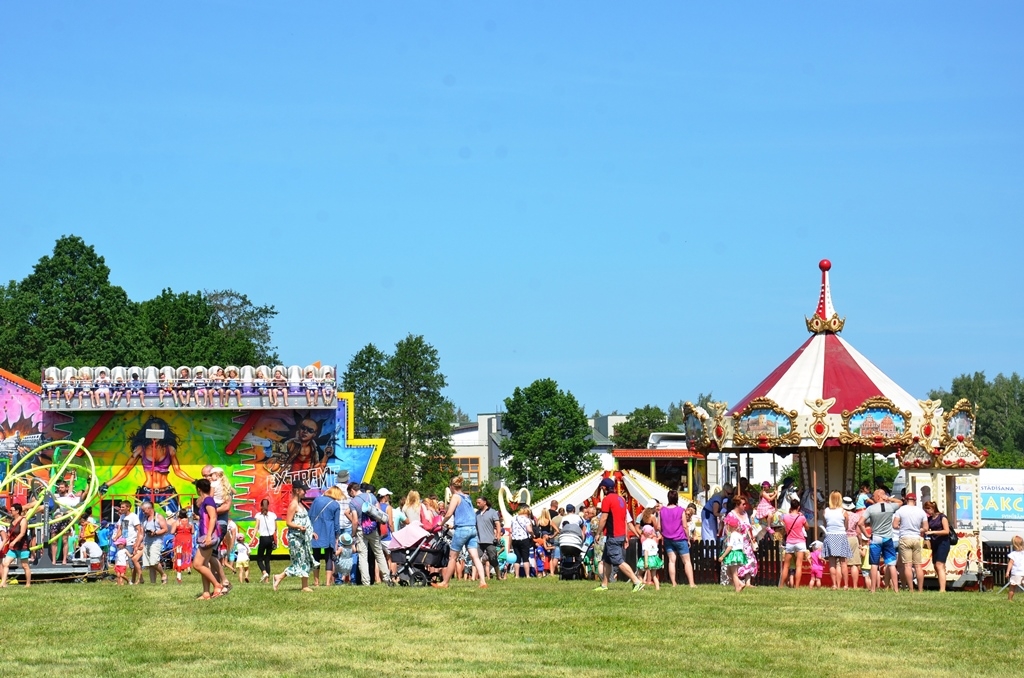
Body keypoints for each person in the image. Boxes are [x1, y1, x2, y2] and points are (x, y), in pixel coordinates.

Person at [101, 417, 194, 516]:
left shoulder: (169, 449)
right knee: (140, 521)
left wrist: (196, 481)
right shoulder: (141, 449)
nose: (155, 434)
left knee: (177, 517)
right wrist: (107, 484)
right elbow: (126, 469)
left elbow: (178, 470)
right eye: (152, 430)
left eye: (157, 430)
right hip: (147, 492)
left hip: (166, 492)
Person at [432, 476, 488, 589]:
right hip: (472, 529)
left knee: (452, 557)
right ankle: (483, 582)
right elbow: (468, 513)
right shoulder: (467, 497)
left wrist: (441, 523)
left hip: (462, 530)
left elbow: (448, 513)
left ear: (452, 487)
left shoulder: (456, 497)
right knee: (475, 557)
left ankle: (445, 583)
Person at [594, 477, 645, 592]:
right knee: (606, 560)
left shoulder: (607, 500)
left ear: (604, 488)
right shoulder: (621, 499)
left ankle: (636, 581)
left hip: (612, 535)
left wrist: (598, 533)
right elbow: (624, 519)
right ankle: (604, 584)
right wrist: (625, 535)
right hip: (620, 534)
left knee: (618, 560)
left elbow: (604, 518)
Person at [274, 480, 317, 592]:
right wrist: (299, 527)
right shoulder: (293, 505)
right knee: (299, 561)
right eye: (303, 490)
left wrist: (311, 532)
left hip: (303, 538)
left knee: (305, 560)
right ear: (297, 491)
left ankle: (304, 586)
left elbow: (305, 520)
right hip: (296, 538)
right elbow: (288, 522)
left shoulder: (300, 504)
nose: (305, 492)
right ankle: (279, 577)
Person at [348, 482, 393, 586]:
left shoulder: (353, 503)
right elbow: (379, 512)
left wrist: (353, 534)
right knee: (379, 553)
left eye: (350, 494)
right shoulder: (371, 496)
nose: (351, 496)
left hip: (360, 530)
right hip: (373, 529)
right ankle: (387, 578)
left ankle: (366, 582)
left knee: (363, 556)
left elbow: (354, 521)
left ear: (352, 491)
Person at [859, 489, 900, 593]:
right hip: (887, 538)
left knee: (874, 564)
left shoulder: (871, 509)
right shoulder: (890, 507)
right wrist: (889, 498)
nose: (872, 497)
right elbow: (900, 502)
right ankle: (896, 589)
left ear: (878, 496)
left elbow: (860, 523)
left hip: (875, 538)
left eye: (873, 495)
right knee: (891, 564)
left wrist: (866, 534)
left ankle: (873, 589)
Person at [192, 478, 225, 600]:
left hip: (208, 536)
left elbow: (213, 518)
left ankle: (217, 585)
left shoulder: (209, 500)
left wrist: (208, 536)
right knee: (204, 564)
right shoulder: (206, 500)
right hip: (205, 535)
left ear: (199, 489)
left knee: (197, 565)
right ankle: (206, 593)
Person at [659, 490, 696, 588]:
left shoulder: (662, 510)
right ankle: (691, 584)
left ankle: (674, 583)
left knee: (671, 561)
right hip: (680, 538)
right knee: (687, 561)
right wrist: (688, 539)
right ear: (677, 498)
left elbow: (659, 526)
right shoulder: (681, 510)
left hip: (668, 539)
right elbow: (685, 526)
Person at [309, 485, 342, 587]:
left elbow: (310, 515)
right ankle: (328, 582)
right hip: (329, 531)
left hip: (316, 530)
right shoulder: (335, 505)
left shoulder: (317, 500)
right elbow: (336, 523)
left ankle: (316, 581)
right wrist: (337, 535)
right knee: (329, 557)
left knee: (316, 556)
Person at [821, 491, 853, 590]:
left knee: (832, 562)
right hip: (841, 535)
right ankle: (846, 585)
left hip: (830, 535)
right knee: (843, 562)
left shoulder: (826, 511)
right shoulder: (843, 512)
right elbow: (846, 526)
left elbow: (825, 524)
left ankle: (834, 584)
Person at [778, 495, 808, 588]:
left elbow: (780, 519)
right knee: (799, 565)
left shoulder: (786, 517)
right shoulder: (801, 517)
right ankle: (797, 586)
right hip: (800, 541)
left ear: (791, 507)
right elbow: (807, 527)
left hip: (790, 542)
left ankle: (781, 585)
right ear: (798, 507)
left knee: (786, 565)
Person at [923, 500, 952, 592]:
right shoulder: (930, 519)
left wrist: (933, 532)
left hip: (943, 542)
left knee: (939, 564)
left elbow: (946, 531)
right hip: (934, 543)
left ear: (933, 508)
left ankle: (942, 589)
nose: (927, 510)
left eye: (928, 508)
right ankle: (942, 585)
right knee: (936, 565)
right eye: (925, 509)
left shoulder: (942, 517)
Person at [0, 503, 32, 588]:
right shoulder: (12, 521)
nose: (10, 511)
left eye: (12, 510)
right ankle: (3, 583)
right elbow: (9, 533)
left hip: (23, 547)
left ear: (17, 511)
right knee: (5, 564)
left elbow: (22, 533)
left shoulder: (23, 520)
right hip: (13, 548)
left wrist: (14, 541)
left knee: (25, 565)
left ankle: (28, 584)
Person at [112, 500, 143, 584]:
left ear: (128, 507)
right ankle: (134, 579)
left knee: (132, 562)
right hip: (124, 542)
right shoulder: (123, 517)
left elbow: (139, 530)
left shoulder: (133, 516)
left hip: (132, 542)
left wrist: (137, 543)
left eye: (123, 507)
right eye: (121, 507)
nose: (121, 509)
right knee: (127, 562)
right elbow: (123, 530)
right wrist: (116, 537)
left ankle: (135, 580)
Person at [140, 501, 169, 584]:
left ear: (149, 509)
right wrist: (138, 543)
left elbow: (165, 529)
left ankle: (163, 574)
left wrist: (155, 533)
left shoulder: (158, 517)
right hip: (147, 542)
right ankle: (153, 583)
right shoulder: (145, 519)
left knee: (154, 561)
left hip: (156, 542)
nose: (143, 512)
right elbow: (142, 533)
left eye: (143, 510)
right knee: (150, 564)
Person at [475, 497, 502, 579]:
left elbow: (497, 524)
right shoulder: (477, 513)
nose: (477, 504)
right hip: (479, 541)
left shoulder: (492, 512)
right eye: (476, 503)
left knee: (493, 559)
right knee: (475, 558)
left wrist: (498, 535)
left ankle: (498, 575)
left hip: (490, 540)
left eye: (479, 502)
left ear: (485, 502)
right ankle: (473, 577)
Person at [719, 514, 746, 593]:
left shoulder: (732, 535)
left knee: (734, 573)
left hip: (733, 554)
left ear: (730, 526)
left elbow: (730, 547)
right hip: (739, 553)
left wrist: (723, 556)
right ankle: (740, 583)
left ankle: (738, 588)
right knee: (729, 571)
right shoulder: (740, 535)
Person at [254, 498, 278, 583]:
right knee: (267, 560)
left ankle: (264, 573)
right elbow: (275, 528)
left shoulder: (258, 515)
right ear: (268, 505)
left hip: (263, 538)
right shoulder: (273, 515)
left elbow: (256, 527)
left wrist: (252, 538)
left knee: (259, 559)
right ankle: (267, 580)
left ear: (261, 505)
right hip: (271, 538)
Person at [510, 507, 535, 578]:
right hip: (524, 539)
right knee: (525, 558)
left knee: (517, 558)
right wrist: (533, 535)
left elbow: (511, 530)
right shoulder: (526, 519)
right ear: (527, 513)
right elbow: (529, 530)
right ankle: (527, 575)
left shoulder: (513, 518)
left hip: (515, 540)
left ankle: (517, 575)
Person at [843, 496, 862, 589]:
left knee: (842, 563)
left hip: (843, 538)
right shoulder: (856, 516)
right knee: (854, 564)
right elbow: (858, 532)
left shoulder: (841, 514)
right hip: (853, 538)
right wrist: (861, 542)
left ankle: (844, 585)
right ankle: (855, 586)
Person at [637, 524, 662, 590]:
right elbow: (656, 550)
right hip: (654, 559)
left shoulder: (645, 542)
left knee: (639, 574)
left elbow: (646, 552)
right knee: (654, 575)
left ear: (644, 533)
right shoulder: (654, 541)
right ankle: (657, 588)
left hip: (647, 559)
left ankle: (641, 588)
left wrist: (646, 562)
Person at [172, 509, 193, 583]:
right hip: (188, 539)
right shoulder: (189, 522)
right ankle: (188, 567)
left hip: (179, 539)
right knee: (187, 553)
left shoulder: (177, 522)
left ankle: (179, 570)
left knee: (178, 555)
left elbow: (172, 531)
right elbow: (192, 531)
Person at [1005, 534, 1024, 601]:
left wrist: (1007, 571)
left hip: (1016, 573)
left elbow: (1011, 563)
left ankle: (1010, 599)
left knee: (1012, 587)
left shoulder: (1013, 554)